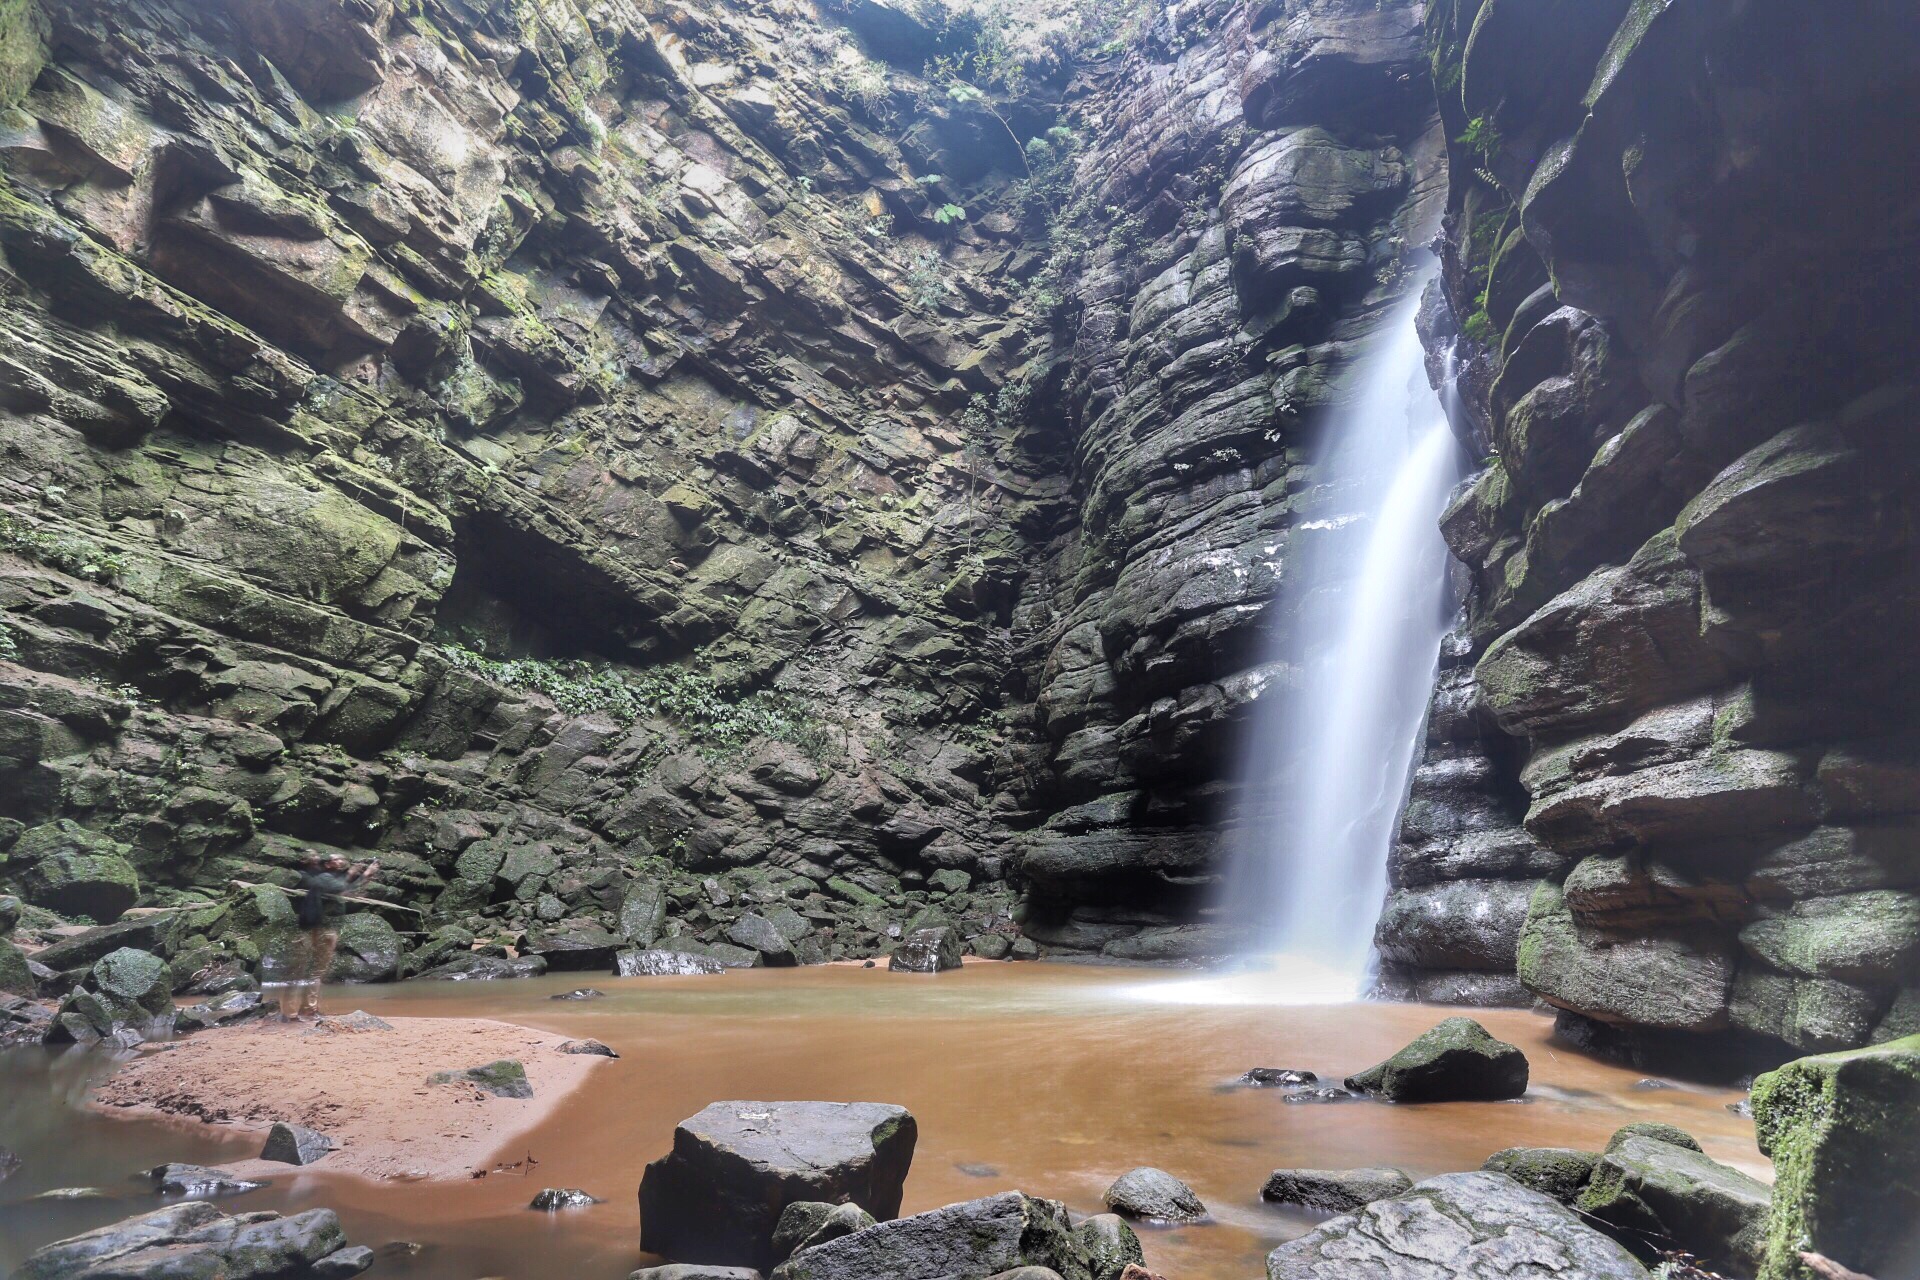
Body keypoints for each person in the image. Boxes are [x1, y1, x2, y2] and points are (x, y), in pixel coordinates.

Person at [288, 850, 379, 1021]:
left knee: (308, 971)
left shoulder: (327, 879)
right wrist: (365, 874)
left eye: (343, 859)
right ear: (328, 864)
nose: (342, 861)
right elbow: (348, 890)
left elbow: (345, 889)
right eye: (337, 859)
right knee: (313, 971)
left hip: (320, 928)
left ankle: (300, 1010)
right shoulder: (324, 878)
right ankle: (304, 1011)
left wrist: (354, 874)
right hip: (321, 929)